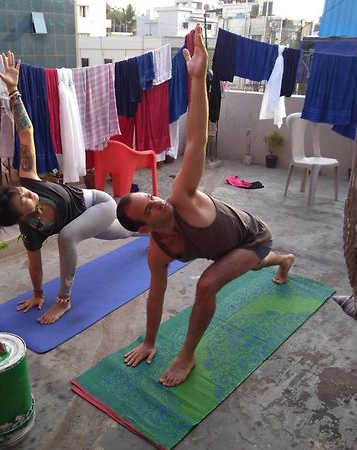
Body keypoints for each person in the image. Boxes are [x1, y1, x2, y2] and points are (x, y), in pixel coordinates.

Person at [116, 25, 295, 387]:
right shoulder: (158, 251)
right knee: (258, 266)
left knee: (208, 283)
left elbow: (196, 140)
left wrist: (198, 79)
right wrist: (149, 340)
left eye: (150, 197)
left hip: (252, 236)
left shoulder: (180, 197)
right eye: (148, 209)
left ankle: (187, 355)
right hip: (228, 247)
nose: (156, 201)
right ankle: (285, 260)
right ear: (145, 230)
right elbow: (156, 295)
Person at [0, 51, 136, 325]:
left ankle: (64, 301)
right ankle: (154, 232)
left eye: (21, 192)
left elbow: (26, 133)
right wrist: (37, 293)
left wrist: (13, 89)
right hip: (85, 221)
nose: (28, 194)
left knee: (66, 237)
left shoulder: (28, 178)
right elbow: (34, 263)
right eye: (24, 201)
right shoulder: (31, 231)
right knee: (126, 233)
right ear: (21, 217)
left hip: (99, 203)